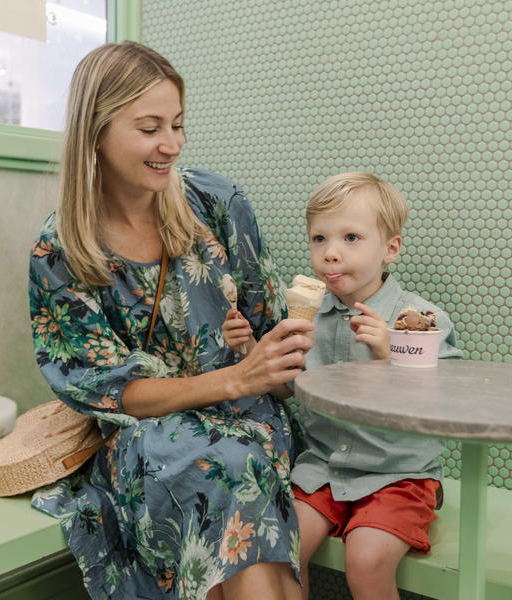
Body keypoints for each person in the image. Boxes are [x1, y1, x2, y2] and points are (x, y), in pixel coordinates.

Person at [28, 41, 313, 600]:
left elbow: (271, 336)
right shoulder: (60, 250)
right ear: (96, 130)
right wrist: (234, 377)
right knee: (228, 473)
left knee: (240, 464)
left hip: (253, 420)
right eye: (150, 128)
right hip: (147, 437)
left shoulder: (219, 204)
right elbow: (108, 390)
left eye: (178, 125)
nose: (171, 145)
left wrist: (275, 362)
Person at [223, 172, 462, 600]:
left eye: (351, 238)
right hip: (324, 469)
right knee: (282, 547)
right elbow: (289, 390)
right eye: (319, 239)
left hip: (399, 474)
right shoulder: (304, 319)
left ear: (391, 248)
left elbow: (447, 400)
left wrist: (394, 350)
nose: (330, 253)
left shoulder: (421, 322)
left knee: (366, 560)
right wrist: (252, 353)